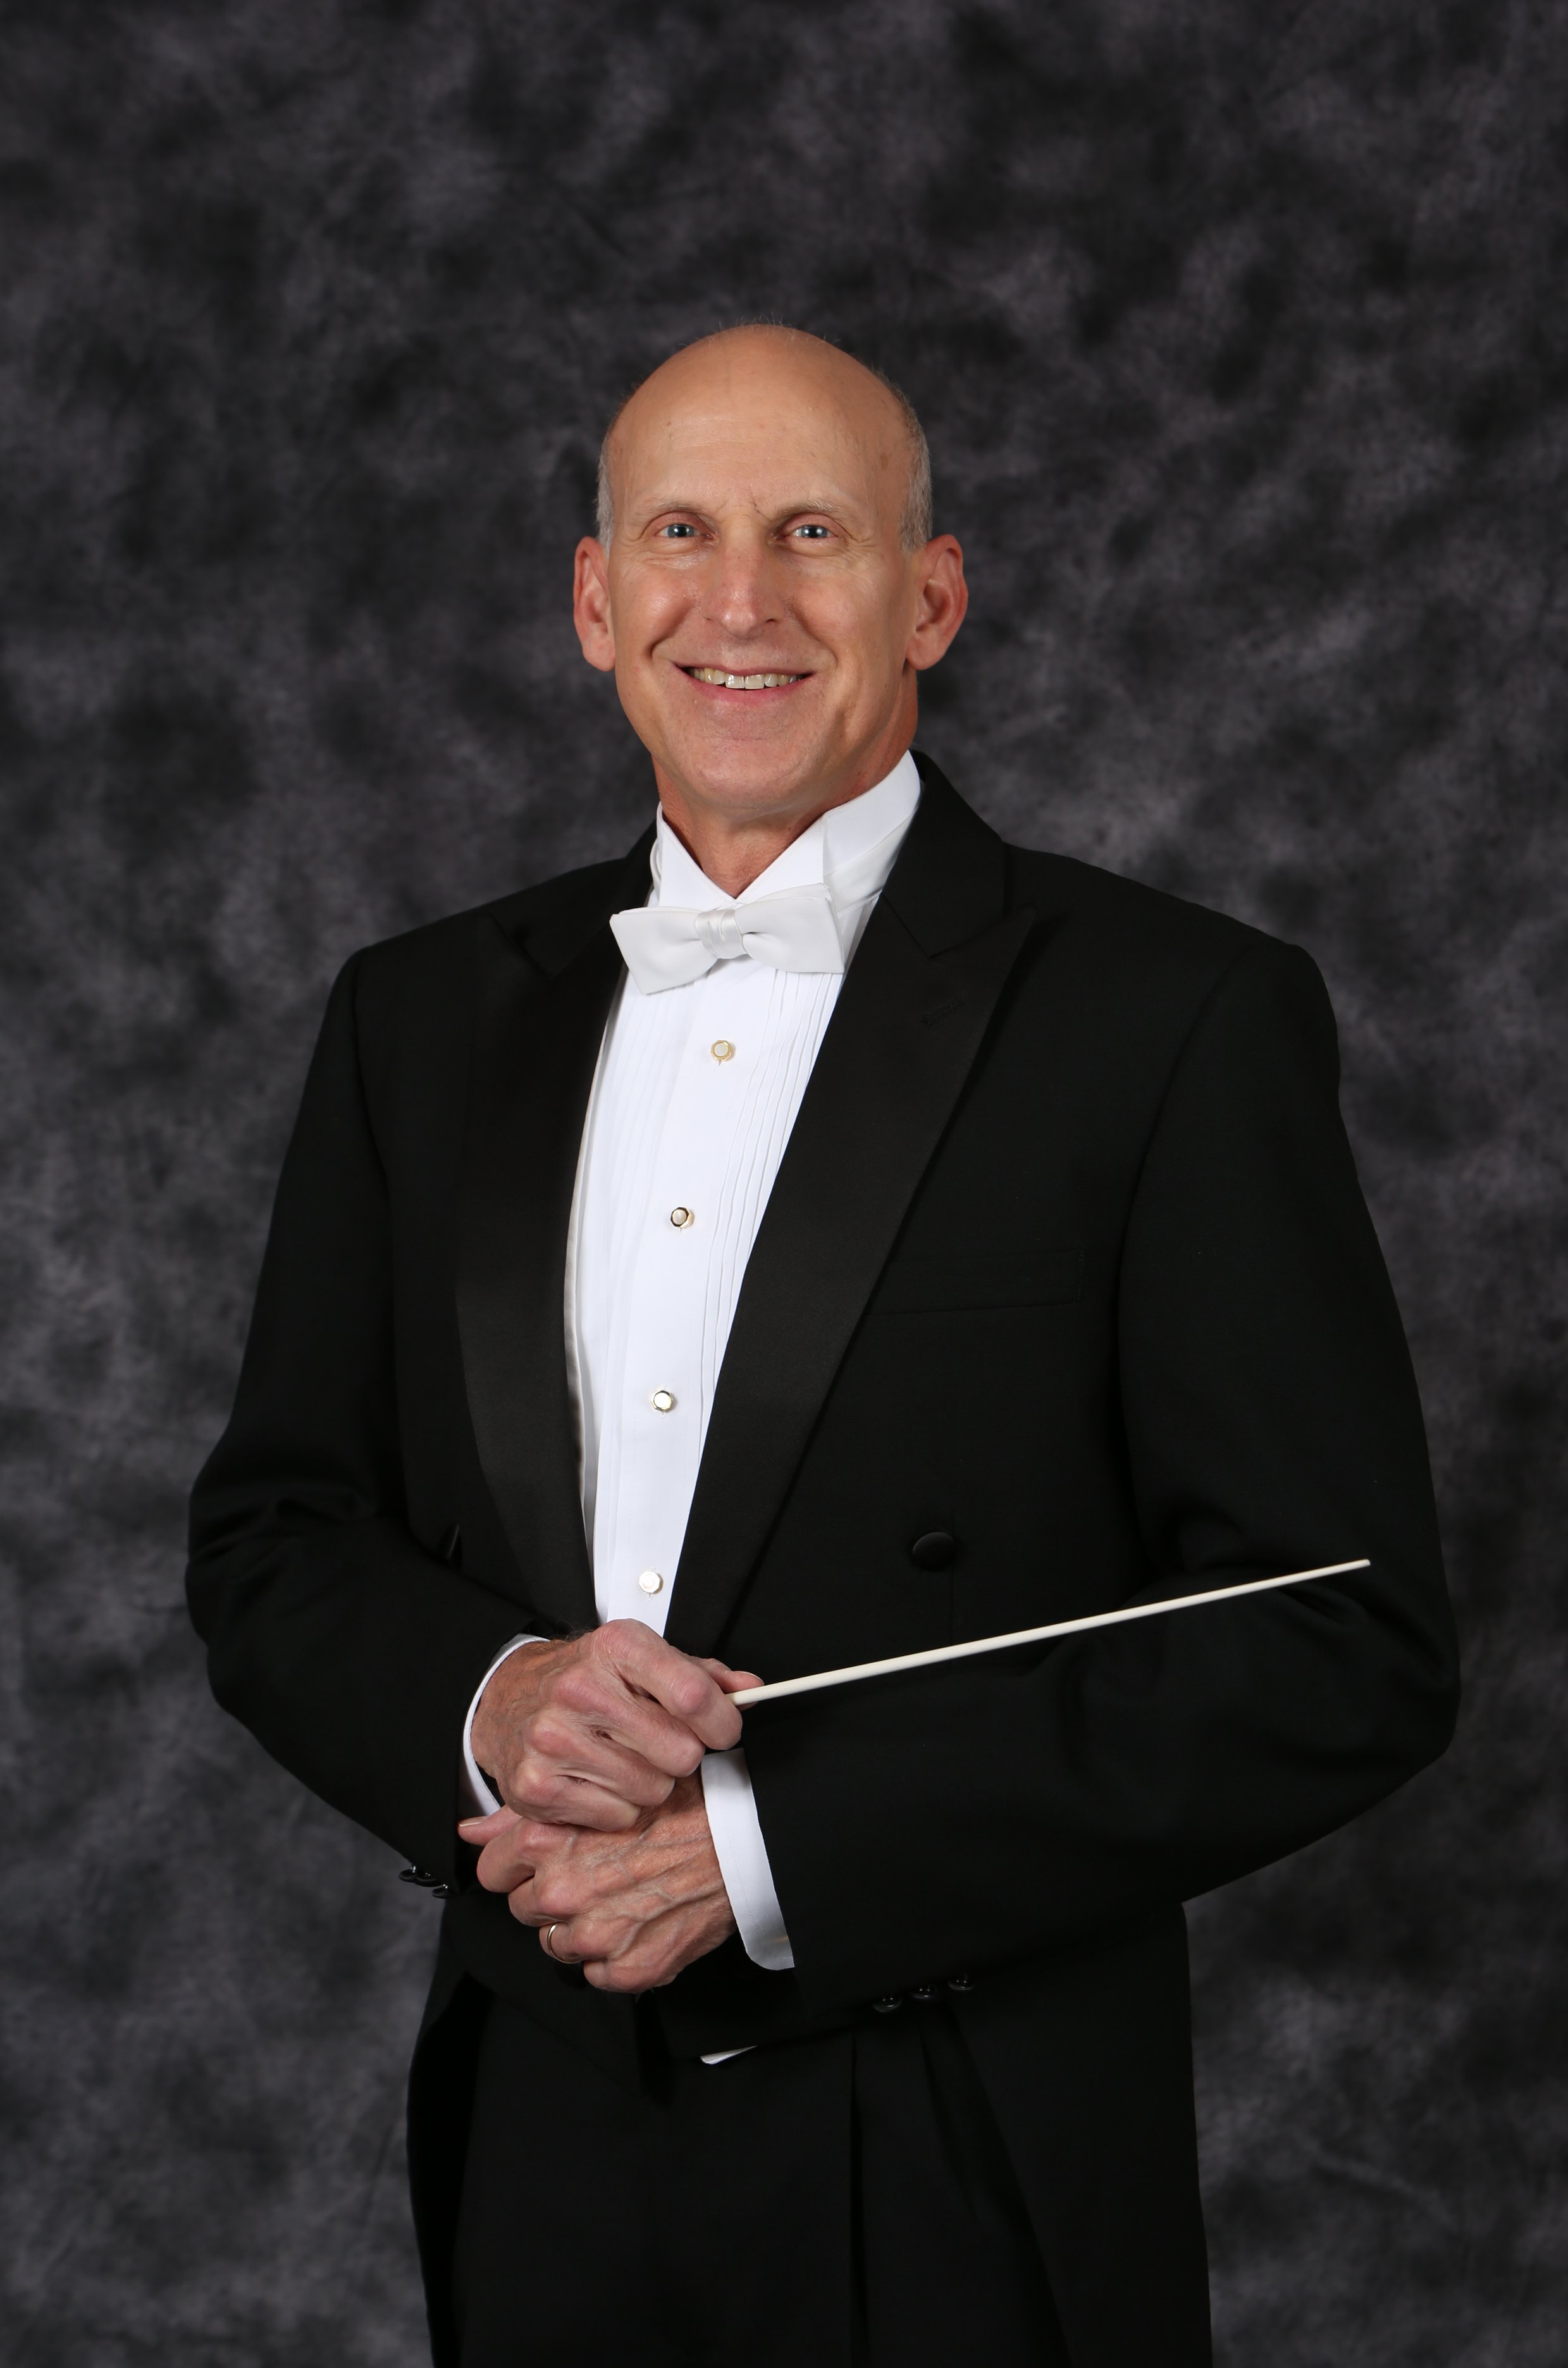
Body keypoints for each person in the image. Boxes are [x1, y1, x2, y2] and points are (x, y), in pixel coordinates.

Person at [187, 324, 1458, 2368]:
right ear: (594, 599)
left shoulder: (1173, 1017)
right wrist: (493, 1698)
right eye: (679, 534)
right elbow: (278, 1538)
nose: (741, 602)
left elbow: (1341, 1635)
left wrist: (771, 1852)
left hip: (963, 2135)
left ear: (928, 595)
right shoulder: (413, 1020)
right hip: (541, 2124)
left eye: (813, 534)